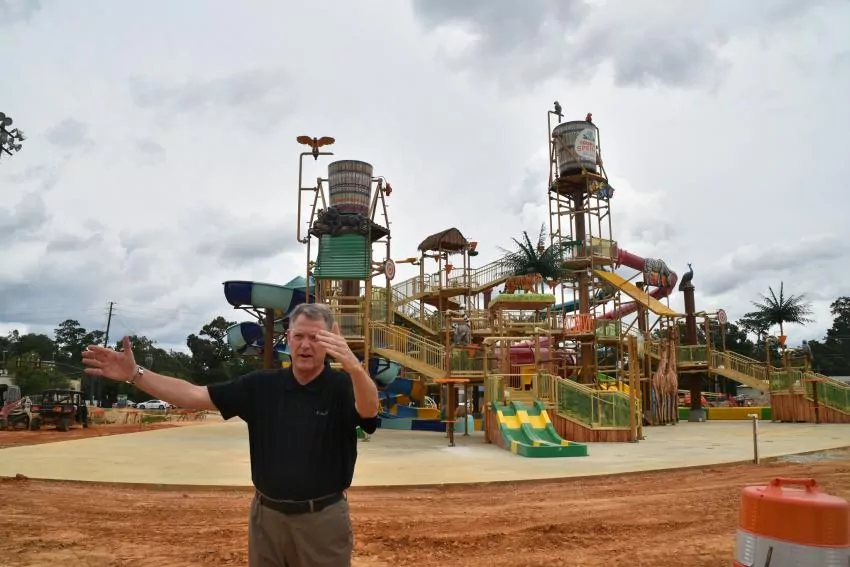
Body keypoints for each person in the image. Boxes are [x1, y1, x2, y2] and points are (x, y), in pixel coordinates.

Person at [82, 302, 380, 567]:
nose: (305, 345)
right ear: (288, 338)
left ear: (330, 341)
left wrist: (354, 368)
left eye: (315, 338)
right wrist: (136, 375)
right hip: (266, 519)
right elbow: (195, 395)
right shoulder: (261, 386)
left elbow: (368, 410)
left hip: (322, 521)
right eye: (299, 336)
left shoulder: (343, 387)